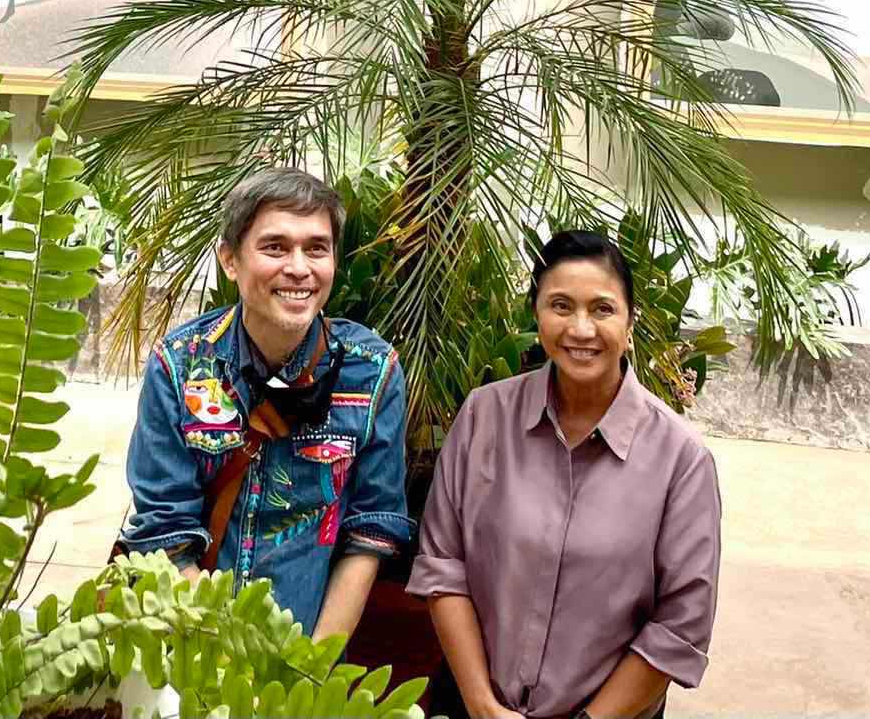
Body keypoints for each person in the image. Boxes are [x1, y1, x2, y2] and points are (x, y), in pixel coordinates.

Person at [408, 230, 722, 719]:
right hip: (470, 703)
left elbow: (678, 628)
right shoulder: (483, 416)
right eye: (560, 306)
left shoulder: (681, 460)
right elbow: (443, 565)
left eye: (602, 309)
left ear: (630, 323)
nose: (580, 328)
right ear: (536, 314)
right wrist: (482, 705)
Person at [118, 165, 414, 640]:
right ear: (230, 260)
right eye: (275, 247)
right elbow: (164, 532)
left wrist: (311, 664)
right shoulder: (179, 365)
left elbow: (371, 532)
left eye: (316, 248)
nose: (298, 268)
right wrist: (229, 657)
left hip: (307, 653)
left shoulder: (372, 372)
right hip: (190, 642)